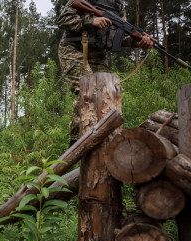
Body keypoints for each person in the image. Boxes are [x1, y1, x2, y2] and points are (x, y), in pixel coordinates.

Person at [57, 0, 154, 146]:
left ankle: (106, 142)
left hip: (100, 55)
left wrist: (138, 42)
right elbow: (63, 20)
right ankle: (75, 145)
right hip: (74, 49)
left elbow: (118, 37)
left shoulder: (117, 4)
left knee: (109, 95)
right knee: (88, 92)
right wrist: (91, 20)